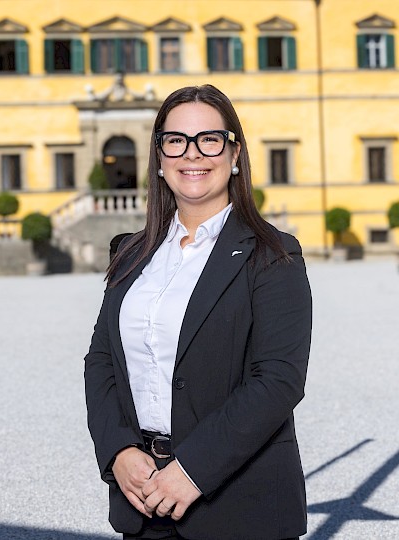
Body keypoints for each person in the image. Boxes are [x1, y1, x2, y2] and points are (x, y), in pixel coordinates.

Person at [84, 85, 312, 540]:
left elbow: (278, 380)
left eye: (209, 139)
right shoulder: (130, 253)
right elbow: (102, 361)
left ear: (234, 153)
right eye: (176, 140)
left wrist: (191, 470)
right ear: (160, 156)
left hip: (239, 507)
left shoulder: (273, 254)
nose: (192, 153)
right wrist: (118, 451)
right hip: (142, 497)